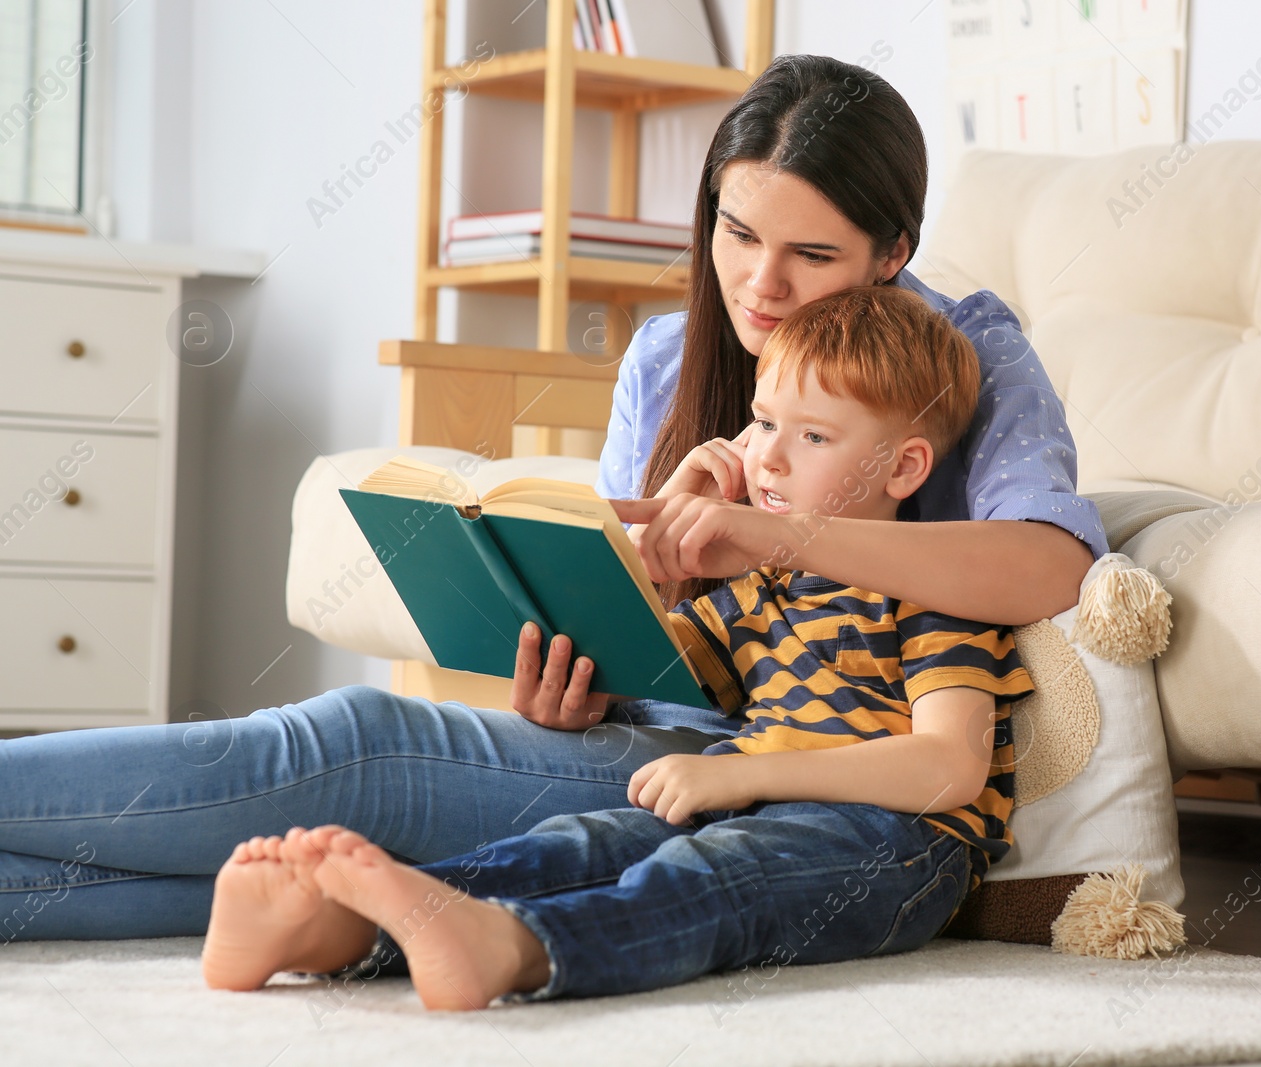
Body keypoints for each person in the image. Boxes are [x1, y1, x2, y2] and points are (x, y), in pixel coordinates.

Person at [0, 54, 1104, 943]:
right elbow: (653, 644)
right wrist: (580, 672)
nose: (760, 285)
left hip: (773, 776)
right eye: (736, 232)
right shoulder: (669, 355)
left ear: (891, 252)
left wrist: (775, 527)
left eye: (810, 254)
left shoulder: (970, 353)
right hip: (646, 747)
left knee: (351, 749)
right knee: (338, 820)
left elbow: (1049, 564)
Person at [199, 286, 1034, 1009]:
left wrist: (742, 771)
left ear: (904, 466)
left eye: (814, 437)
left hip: (900, 849)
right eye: (764, 421)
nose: (769, 456)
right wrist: (593, 640)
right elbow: (655, 668)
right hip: (754, 804)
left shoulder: (933, 591)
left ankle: (516, 949)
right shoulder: (758, 590)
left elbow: (946, 767)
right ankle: (342, 931)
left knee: (719, 874)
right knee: (587, 841)